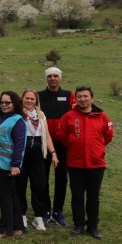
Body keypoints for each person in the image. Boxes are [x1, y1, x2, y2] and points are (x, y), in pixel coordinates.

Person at [54, 86, 113, 239]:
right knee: (77, 196)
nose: (82, 99)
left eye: (85, 96)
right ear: (76, 99)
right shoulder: (68, 116)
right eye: (79, 97)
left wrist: (97, 148)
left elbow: (108, 135)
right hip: (75, 163)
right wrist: (74, 145)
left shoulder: (102, 116)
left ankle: (93, 226)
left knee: (93, 197)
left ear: (92, 98)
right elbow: (61, 136)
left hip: (96, 163)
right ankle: (78, 224)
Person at [38, 67, 75, 227]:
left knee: (61, 178)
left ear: (60, 78)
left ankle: (58, 211)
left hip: (62, 143)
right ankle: (45, 209)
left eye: (55, 76)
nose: (52, 78)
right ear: (46, 78)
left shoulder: (68, 95)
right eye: (50, 76)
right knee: (43, 177)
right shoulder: (39, 96)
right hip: (44, 142)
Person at [0, 92, 27, 239]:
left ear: (15, 104)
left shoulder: (18, 121)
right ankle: (17, 226)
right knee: (11, 195)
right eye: (2, 102)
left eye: (8, 102)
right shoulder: (0, 119)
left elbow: (19, 145)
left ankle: (4, 229)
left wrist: (15, 165)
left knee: (4, 196)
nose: (4, 105)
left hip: (9, 166)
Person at [17, 89, 57, 232]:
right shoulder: (18, 114)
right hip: (22, 152)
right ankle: (21, 214)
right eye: (27, 98)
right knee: (20, 184)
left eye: (32, 99)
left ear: (36, 101)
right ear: (22, 99)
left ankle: (38, 216)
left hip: (38, 152)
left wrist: (53, 153)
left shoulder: (41, 115)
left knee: (39, 184)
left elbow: (47, 136)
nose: (29, 101)